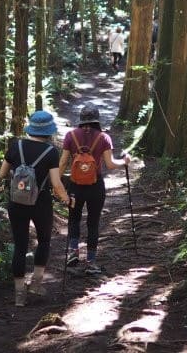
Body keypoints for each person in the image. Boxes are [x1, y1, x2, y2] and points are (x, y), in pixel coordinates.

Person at [0, 110, 70, 306]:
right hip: (41, 203)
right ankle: (36, 284)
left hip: (16, 203)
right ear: (49, 131)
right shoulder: (51, 152)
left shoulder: (16, 146)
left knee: (20, 246)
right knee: (44, 241)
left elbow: (2, 172)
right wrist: (66, 199)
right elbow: (56, 184)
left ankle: (19, 295)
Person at [59, 104, 131, 275]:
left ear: (81, 119)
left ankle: (73, 252)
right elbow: (110, 164)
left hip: (75, 185)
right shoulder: (104, 137)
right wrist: (125, 161)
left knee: (74, 218)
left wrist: (57, 183)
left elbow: (62, 162)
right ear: (96, 120)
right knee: (93, 223)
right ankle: (91, 262)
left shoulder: (70, 136)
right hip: (96, 186)